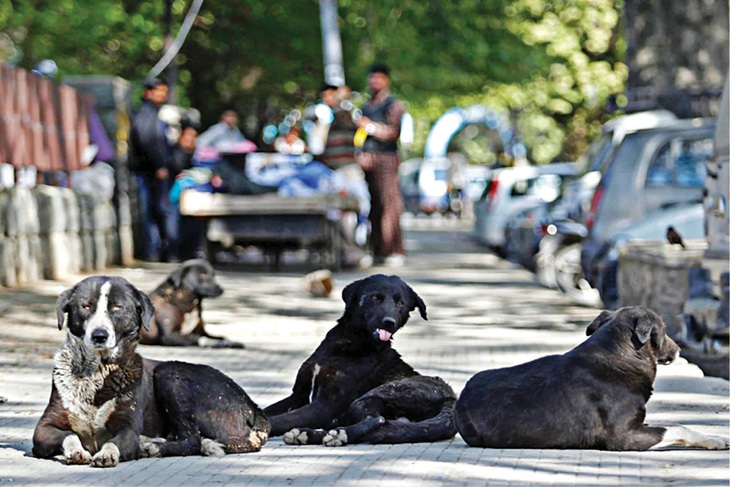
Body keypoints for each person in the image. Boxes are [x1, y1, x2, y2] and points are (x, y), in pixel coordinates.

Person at [357, 63, 407, 266]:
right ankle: (377, 250)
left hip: (386, 161)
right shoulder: (366, 106)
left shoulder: (393, 104)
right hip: (368, 162)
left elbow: (393, 133)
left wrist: (370, 127)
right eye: (372, 78)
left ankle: (393, 250)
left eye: (378, 78)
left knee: (389, 205)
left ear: (386, 80)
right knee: (373, 207)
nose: (374, 82)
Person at [129, 78, 179, 262]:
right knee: (155, 211)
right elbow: (147, 140)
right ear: (148, 93)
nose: (163, 95)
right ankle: (155, 250)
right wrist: (159, 165)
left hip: (152, 171)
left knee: (155, 211)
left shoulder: (152, 114)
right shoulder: (145, 114)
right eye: (159, 91)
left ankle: (158, 250)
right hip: (149, 173)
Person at [319, 84, 358, 170]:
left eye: (330, 95)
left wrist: (339, 99)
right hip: (332, 165)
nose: (327, 99)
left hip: (347, 165)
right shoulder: (328, 116)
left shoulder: (344, 113)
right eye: (324, 96)